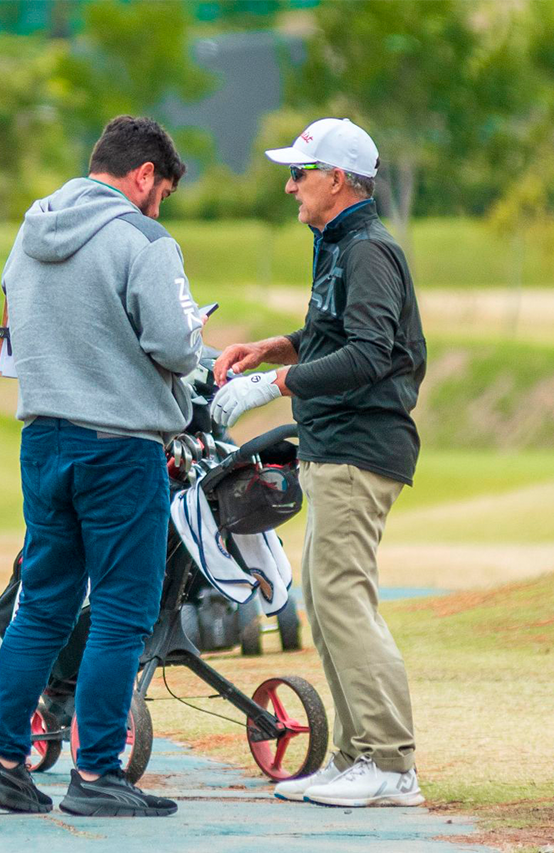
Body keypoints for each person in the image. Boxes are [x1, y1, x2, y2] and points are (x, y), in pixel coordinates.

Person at [0, 116, 203, 818]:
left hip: (43, 438)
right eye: (161, 192)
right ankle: (97, 773)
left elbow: (14, 322)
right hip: (121, 446)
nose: (158, 206)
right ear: (143, 174)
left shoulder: (31, 228)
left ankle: (3, 762)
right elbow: (177, 345)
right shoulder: (144, 240)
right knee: (123, 612)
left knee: (42, 606)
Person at [211, 117, 427, 808]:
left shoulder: (367, 250)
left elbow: (367, 354)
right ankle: (355, 755)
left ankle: (391, 764)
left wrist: (274, 384)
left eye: (299, 174)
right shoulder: (338, 244)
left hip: (361, 447)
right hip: (335, 444)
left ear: (336, 179)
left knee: (342, 600)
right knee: (330, 602)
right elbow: (328, 335)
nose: (289, 186)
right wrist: (270, 349)